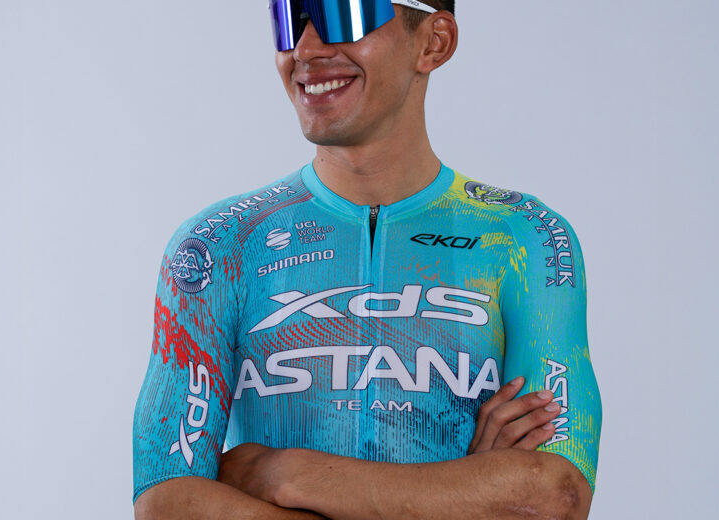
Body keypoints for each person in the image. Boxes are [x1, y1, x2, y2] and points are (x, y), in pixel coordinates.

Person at [132, 1, 601, 518]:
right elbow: (167, 504)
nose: (305, 49)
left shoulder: (525, 237)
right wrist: (470, 496)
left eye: (342, 12)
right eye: (289, 17)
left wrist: (284, 474)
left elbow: (556, 496)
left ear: (433, 42)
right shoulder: (219, 245)